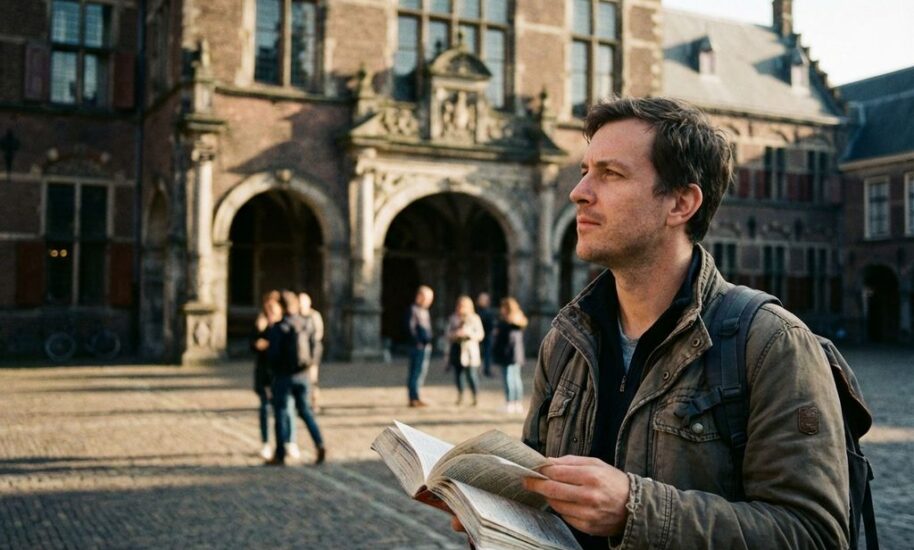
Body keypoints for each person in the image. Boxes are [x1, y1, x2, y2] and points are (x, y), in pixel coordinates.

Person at [451, 97, 849, 548]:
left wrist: (635, 510)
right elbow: (544, 505)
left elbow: (815, 534)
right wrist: (497, 517)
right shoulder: (564, 342)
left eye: (610, 173)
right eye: (584, 170)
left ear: (681, 203)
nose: (578, 191)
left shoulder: (772, 343)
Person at [265, 291, 326, 466]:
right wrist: (310, 367)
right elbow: (316, 347)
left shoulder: (279, 327)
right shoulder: (306, 323)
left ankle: (280, 454)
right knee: (306, 412)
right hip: (303, 375)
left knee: (280, 413)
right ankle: (319, 443)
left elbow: (273, 355)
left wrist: (273, 373)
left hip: (284, 376)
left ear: (282, 307)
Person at [251, 291, 295, 459]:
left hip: (280, 375)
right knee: (264, 408)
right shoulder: (261, 326)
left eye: (274, 312)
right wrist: (258, 337)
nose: (271, 315)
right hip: (264, 375)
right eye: (268, 312)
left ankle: (289, 442)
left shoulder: (283, 328)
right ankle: (266, 443)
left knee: (286, 409)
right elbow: (252, 345)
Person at [445, 295, 485, 406]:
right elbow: (447, 333)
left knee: (471, 375)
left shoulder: (475, 318)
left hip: (470, 351)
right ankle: (460, 394)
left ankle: (475, 395)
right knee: (458, 375)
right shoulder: (453, 318)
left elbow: (480, 334)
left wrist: (469, 333)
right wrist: (455, 334)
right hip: (457, 349)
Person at [491, 297, 527, 414]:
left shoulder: (506, 322)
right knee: (516, 378)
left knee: (509, 379)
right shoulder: (519, 320)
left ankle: (510, 403)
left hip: (508, 354)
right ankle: (517, 403)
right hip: (516, 354)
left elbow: (504, 340)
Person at [406, 285, 434, 407]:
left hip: (425, 346)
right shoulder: (413, 310)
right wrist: (417, 342)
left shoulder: (424, 310)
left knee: (421, 372)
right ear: (420, 296)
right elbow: (410, 328)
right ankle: (414, 397)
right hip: (418, 347)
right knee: (415, 372)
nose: (429, 302)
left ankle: (417, 396)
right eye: (428, 298)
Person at [298, 292, 324, 413]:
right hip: (299, 351)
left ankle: (314, 403)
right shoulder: (296, 315)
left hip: (312, 350)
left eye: (303, 302)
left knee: (313, 378)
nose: (301, 305)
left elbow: (319, 333)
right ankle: (301, 402)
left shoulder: (314, 315)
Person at [475, 292, 496, 377]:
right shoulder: (478, 311)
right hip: (479, 334)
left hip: (488, 335)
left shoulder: (488, 311)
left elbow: (491, 323)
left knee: (487, 354)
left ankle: (487, 369)